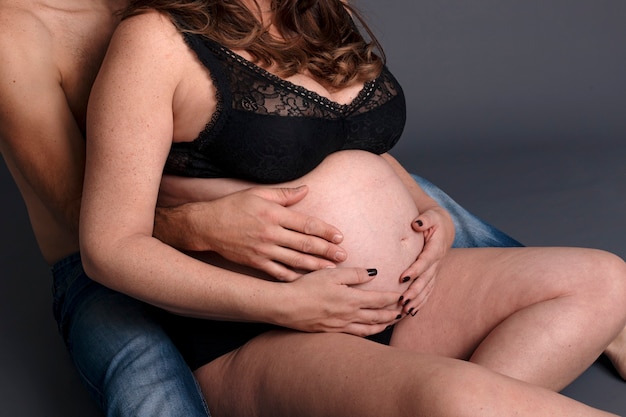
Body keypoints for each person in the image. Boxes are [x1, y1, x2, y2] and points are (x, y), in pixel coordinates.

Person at [80, 0, 626, 415]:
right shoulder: (153, 40)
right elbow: (110, 248)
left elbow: (353, 142)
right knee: (456, 400)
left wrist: (420, 205)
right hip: (263, 333)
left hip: (404, 301)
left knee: (606, 280)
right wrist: (283, 307)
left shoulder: (317, 13)